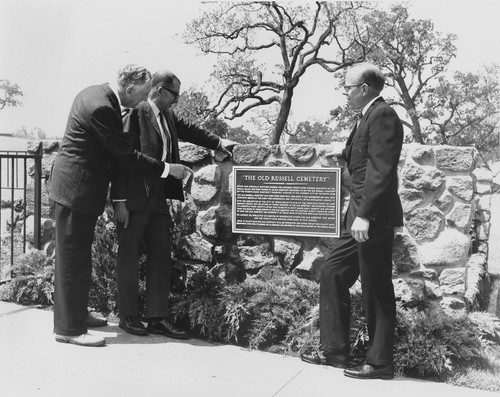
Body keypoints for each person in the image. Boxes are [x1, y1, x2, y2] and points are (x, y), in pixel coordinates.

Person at [49, 65, 179, 347]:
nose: (144, 101)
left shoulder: (97, 94)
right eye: (143, 94)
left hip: (79, 190)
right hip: (75, 190)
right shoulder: (102, 108)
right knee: (72, 261)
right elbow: (125, 155)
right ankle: (69, 330)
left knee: (80, 258)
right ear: (130, 89)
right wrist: (166, 169)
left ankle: (78, 315)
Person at [301, 62, 403, 380]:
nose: (344, 93)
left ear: (364, 88)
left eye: (347, 87)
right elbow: (360, 168)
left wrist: (365, 216)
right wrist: (343, 158)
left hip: (370, 218)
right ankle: (334, 351)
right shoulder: (365, 118)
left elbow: (381, 172)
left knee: (376, 287)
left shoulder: (383, 115)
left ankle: (380, 363)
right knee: (332, 272)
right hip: (357, 217)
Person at [111, 70, 232, 338]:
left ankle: (157, 318)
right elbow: (122, 160)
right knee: (129, 257)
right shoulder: (135, 112)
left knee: (161, 256)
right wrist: (119, 201)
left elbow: (190, 130)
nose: (176, 101)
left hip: (159, 200)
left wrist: (219, 142)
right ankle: (128, 316)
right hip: (133, 199)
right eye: (174, 95)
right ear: (159, 90)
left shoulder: (167, 115)